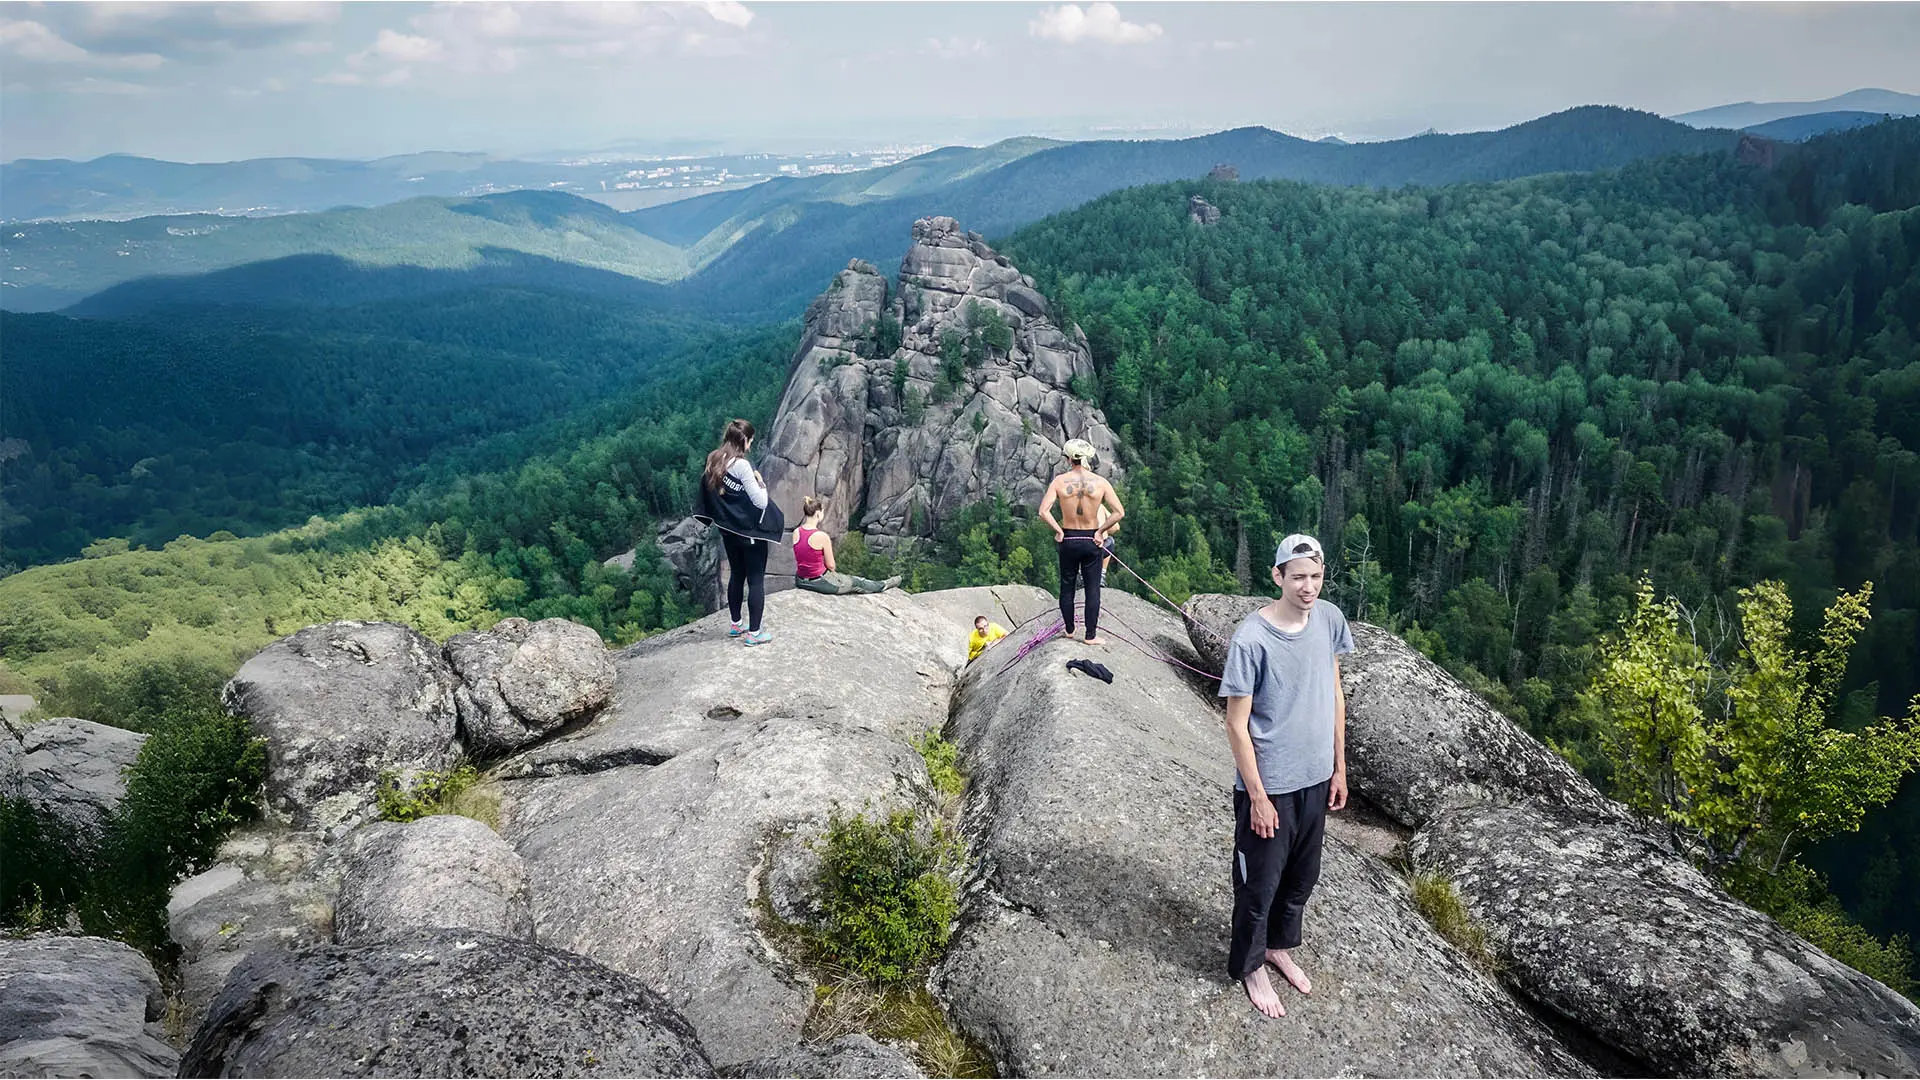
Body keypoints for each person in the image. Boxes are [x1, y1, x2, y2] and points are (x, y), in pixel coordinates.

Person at [1219, 533, 1353, 1019]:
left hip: (1315, 779)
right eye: (1298, 577)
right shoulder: (1251, 639)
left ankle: (1278, 946)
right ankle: (1251, 965)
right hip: (1270, 784)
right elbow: (1236, 724)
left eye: (1316, 577)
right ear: (1277, 576)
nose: (1308, 587)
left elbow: (1335, 692)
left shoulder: (1330, 620)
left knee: (1302, 876)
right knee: (1259, 884)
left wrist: (1340, 767)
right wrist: (1256, 796)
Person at [692, 418, 785, 646]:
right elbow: (760, 503)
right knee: (755, 580)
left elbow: (717, 494)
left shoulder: (714, 458)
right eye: (750, 440)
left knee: (736, 574)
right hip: (748, 532)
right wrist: (760, 482)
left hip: (728, 531)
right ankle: (754, 633)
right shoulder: (742, 466)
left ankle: (736, 624)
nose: (751, 445)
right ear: (743, 440)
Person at [1037, 438, 1124, 645]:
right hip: (1091, 538)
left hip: (1068, 538)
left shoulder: (1059, 481)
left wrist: (1058, 531)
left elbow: (1043, 511)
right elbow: (1119, 512)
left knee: (1067, 586)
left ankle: (1069, 630)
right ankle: (1090, 636)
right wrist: (1101, 531)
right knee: (1092, 588)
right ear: (1087, 458)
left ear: (1069, 459)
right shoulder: (1100, 483)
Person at [792, 496, 901, 595]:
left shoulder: (796, 532)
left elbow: (803, 557)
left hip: (801, 581)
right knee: (858, 582)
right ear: (817, 513)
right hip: (819, 582)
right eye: (823, 512)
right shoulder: (821, 536)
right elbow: (831, 565)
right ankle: (883, 585)